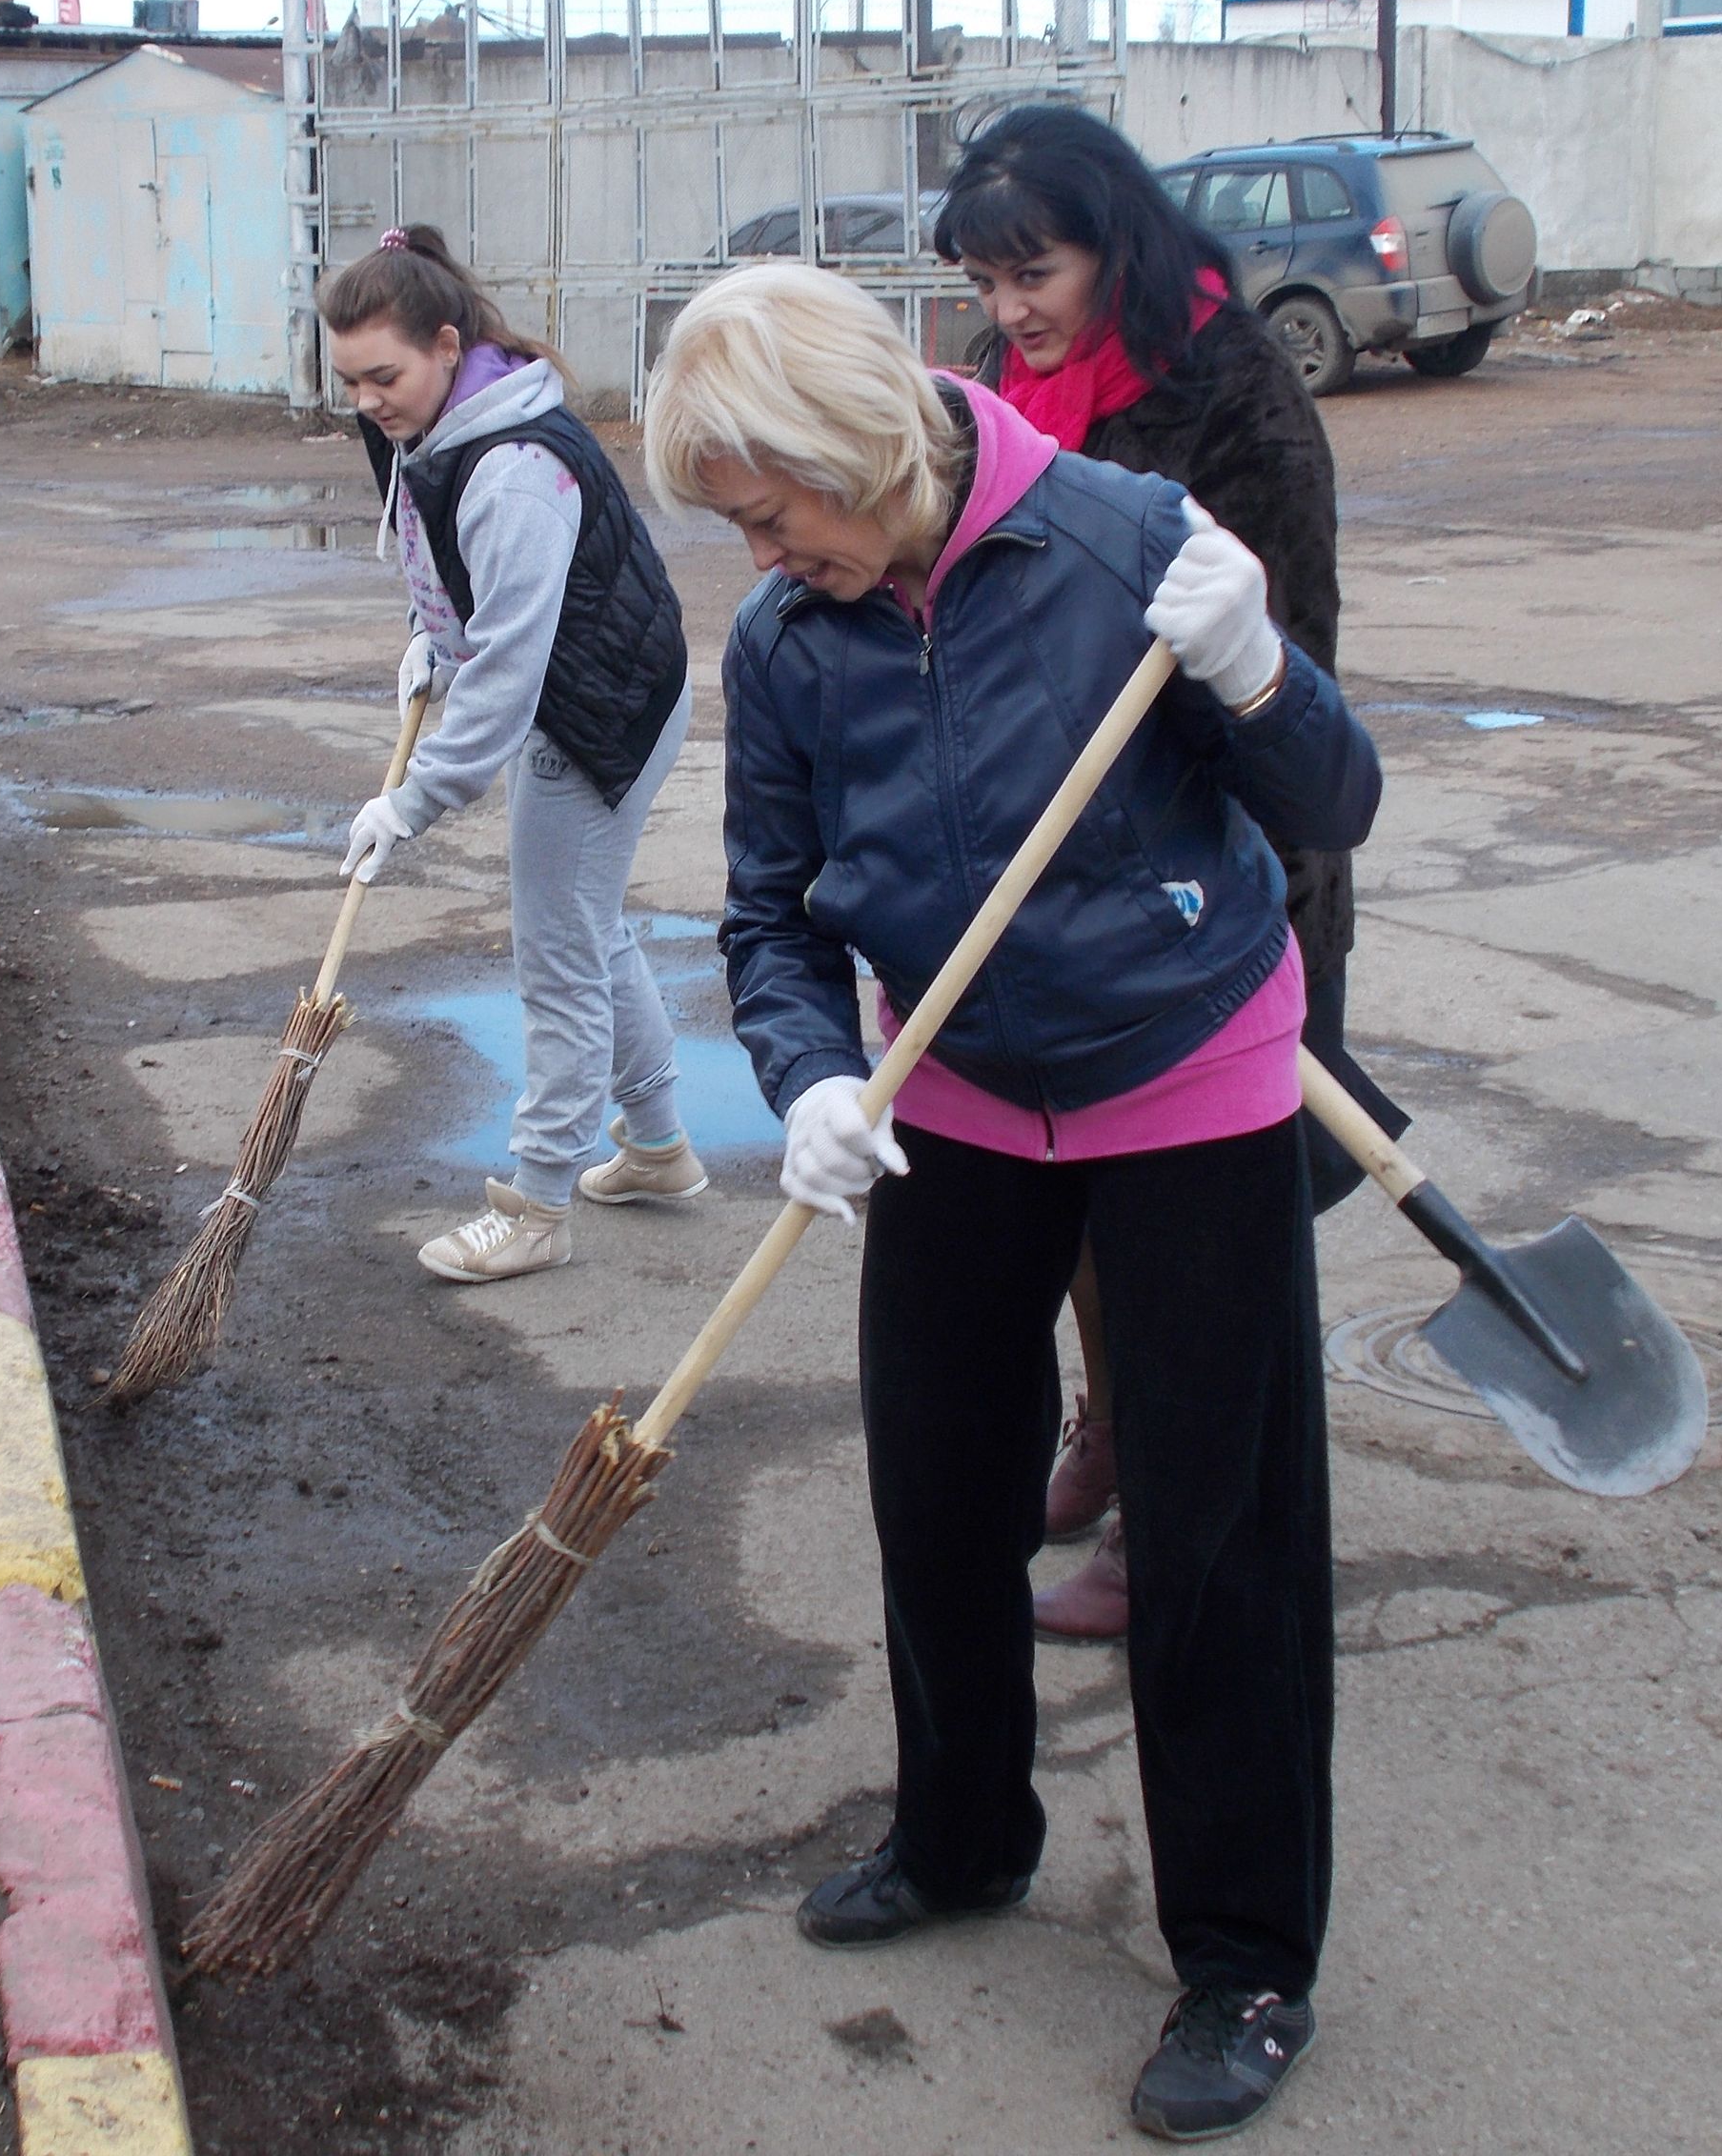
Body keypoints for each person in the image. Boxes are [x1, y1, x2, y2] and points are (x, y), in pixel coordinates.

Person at [646, 262, 1379, 2142]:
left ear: (852, 442)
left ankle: (1245, 1960)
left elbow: (1333, 797)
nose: (761, 549)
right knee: (937, 1498)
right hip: (951, 1100)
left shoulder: (1128, 542)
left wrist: (1254, 664)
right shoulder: (798, 642)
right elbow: (773, 904)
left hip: (1185, 1082)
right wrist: (805, 1069)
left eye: (767, 507)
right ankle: (964, 1834)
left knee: (1214, 1549)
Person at [935, 104, 1407, 1647]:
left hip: (1221, 882)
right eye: (987, 283)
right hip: (1048, 872)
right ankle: (1112, 1427)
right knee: (1071, 1208)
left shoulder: (1234, 400)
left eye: (1036, 273)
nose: (1010, 311)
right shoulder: (1006, 391)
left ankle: (1183, 1519)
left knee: (1196, 1242)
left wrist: (1212, 870)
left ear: (1115, 241)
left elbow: (1293, 675)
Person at [323, 226, 704, 1282]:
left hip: (600, 710)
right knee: (587, 926)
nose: (367, 400)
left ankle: (538, 1205)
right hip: (596, 679)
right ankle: (660, 1147)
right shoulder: (438, 422)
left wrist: (412, 800)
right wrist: (428, 641)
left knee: (558, 955)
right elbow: (444, 569)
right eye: (348, 380)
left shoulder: (514, 472)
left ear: (449, 345)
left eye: (383, 375)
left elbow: (510, 670)